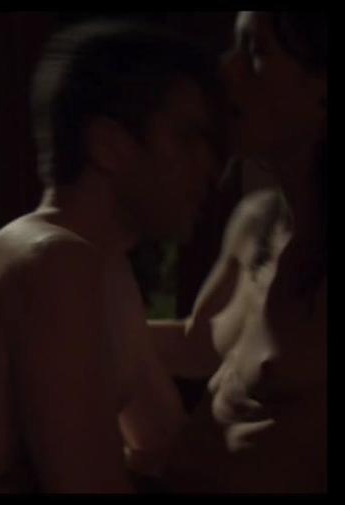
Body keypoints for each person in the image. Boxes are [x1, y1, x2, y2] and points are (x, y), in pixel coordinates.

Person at [0, 21, 220, 493]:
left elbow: (161, 442)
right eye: (185, 138)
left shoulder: (105, 265)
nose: (208, 164)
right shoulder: (51, 261)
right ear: (109, 146)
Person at [150, 11, 326, 493]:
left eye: (256, 52)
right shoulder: (257, 220)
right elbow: (198, 342)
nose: (226, 70)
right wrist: (65, 326)